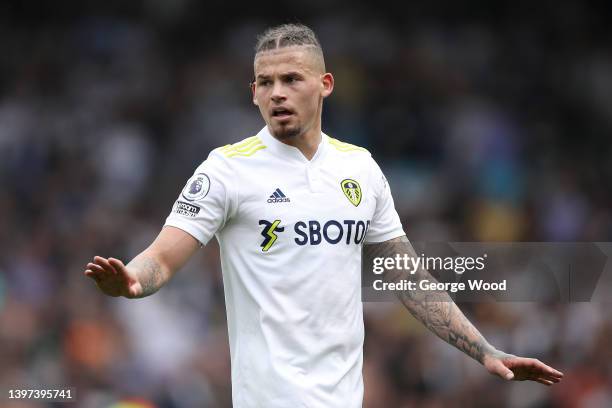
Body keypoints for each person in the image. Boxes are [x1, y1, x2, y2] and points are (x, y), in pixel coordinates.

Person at [85, 23, 563, 407]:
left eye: (291, 79)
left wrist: (484, 350)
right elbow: (164, 257)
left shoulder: (360, 168)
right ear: (252, 93)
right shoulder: (226, 169)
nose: (277, 93)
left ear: (324, 84)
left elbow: (406, 277)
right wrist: (131, 281)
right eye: (266, 83)